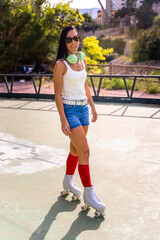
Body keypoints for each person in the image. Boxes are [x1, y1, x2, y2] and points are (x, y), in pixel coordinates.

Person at [53, 26, 106, 217]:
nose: (74, 42)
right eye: (69, 39)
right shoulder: (60, 65)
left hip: (83, 110)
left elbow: (85, 85)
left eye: (76, 38)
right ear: (64, 43)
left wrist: (92, 106)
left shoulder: (82, 60)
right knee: (85, 151)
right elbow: (57, 94)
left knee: (75, 150)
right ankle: (89, 193)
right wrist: (63, 119)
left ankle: (68, 181)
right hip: (70, 111)